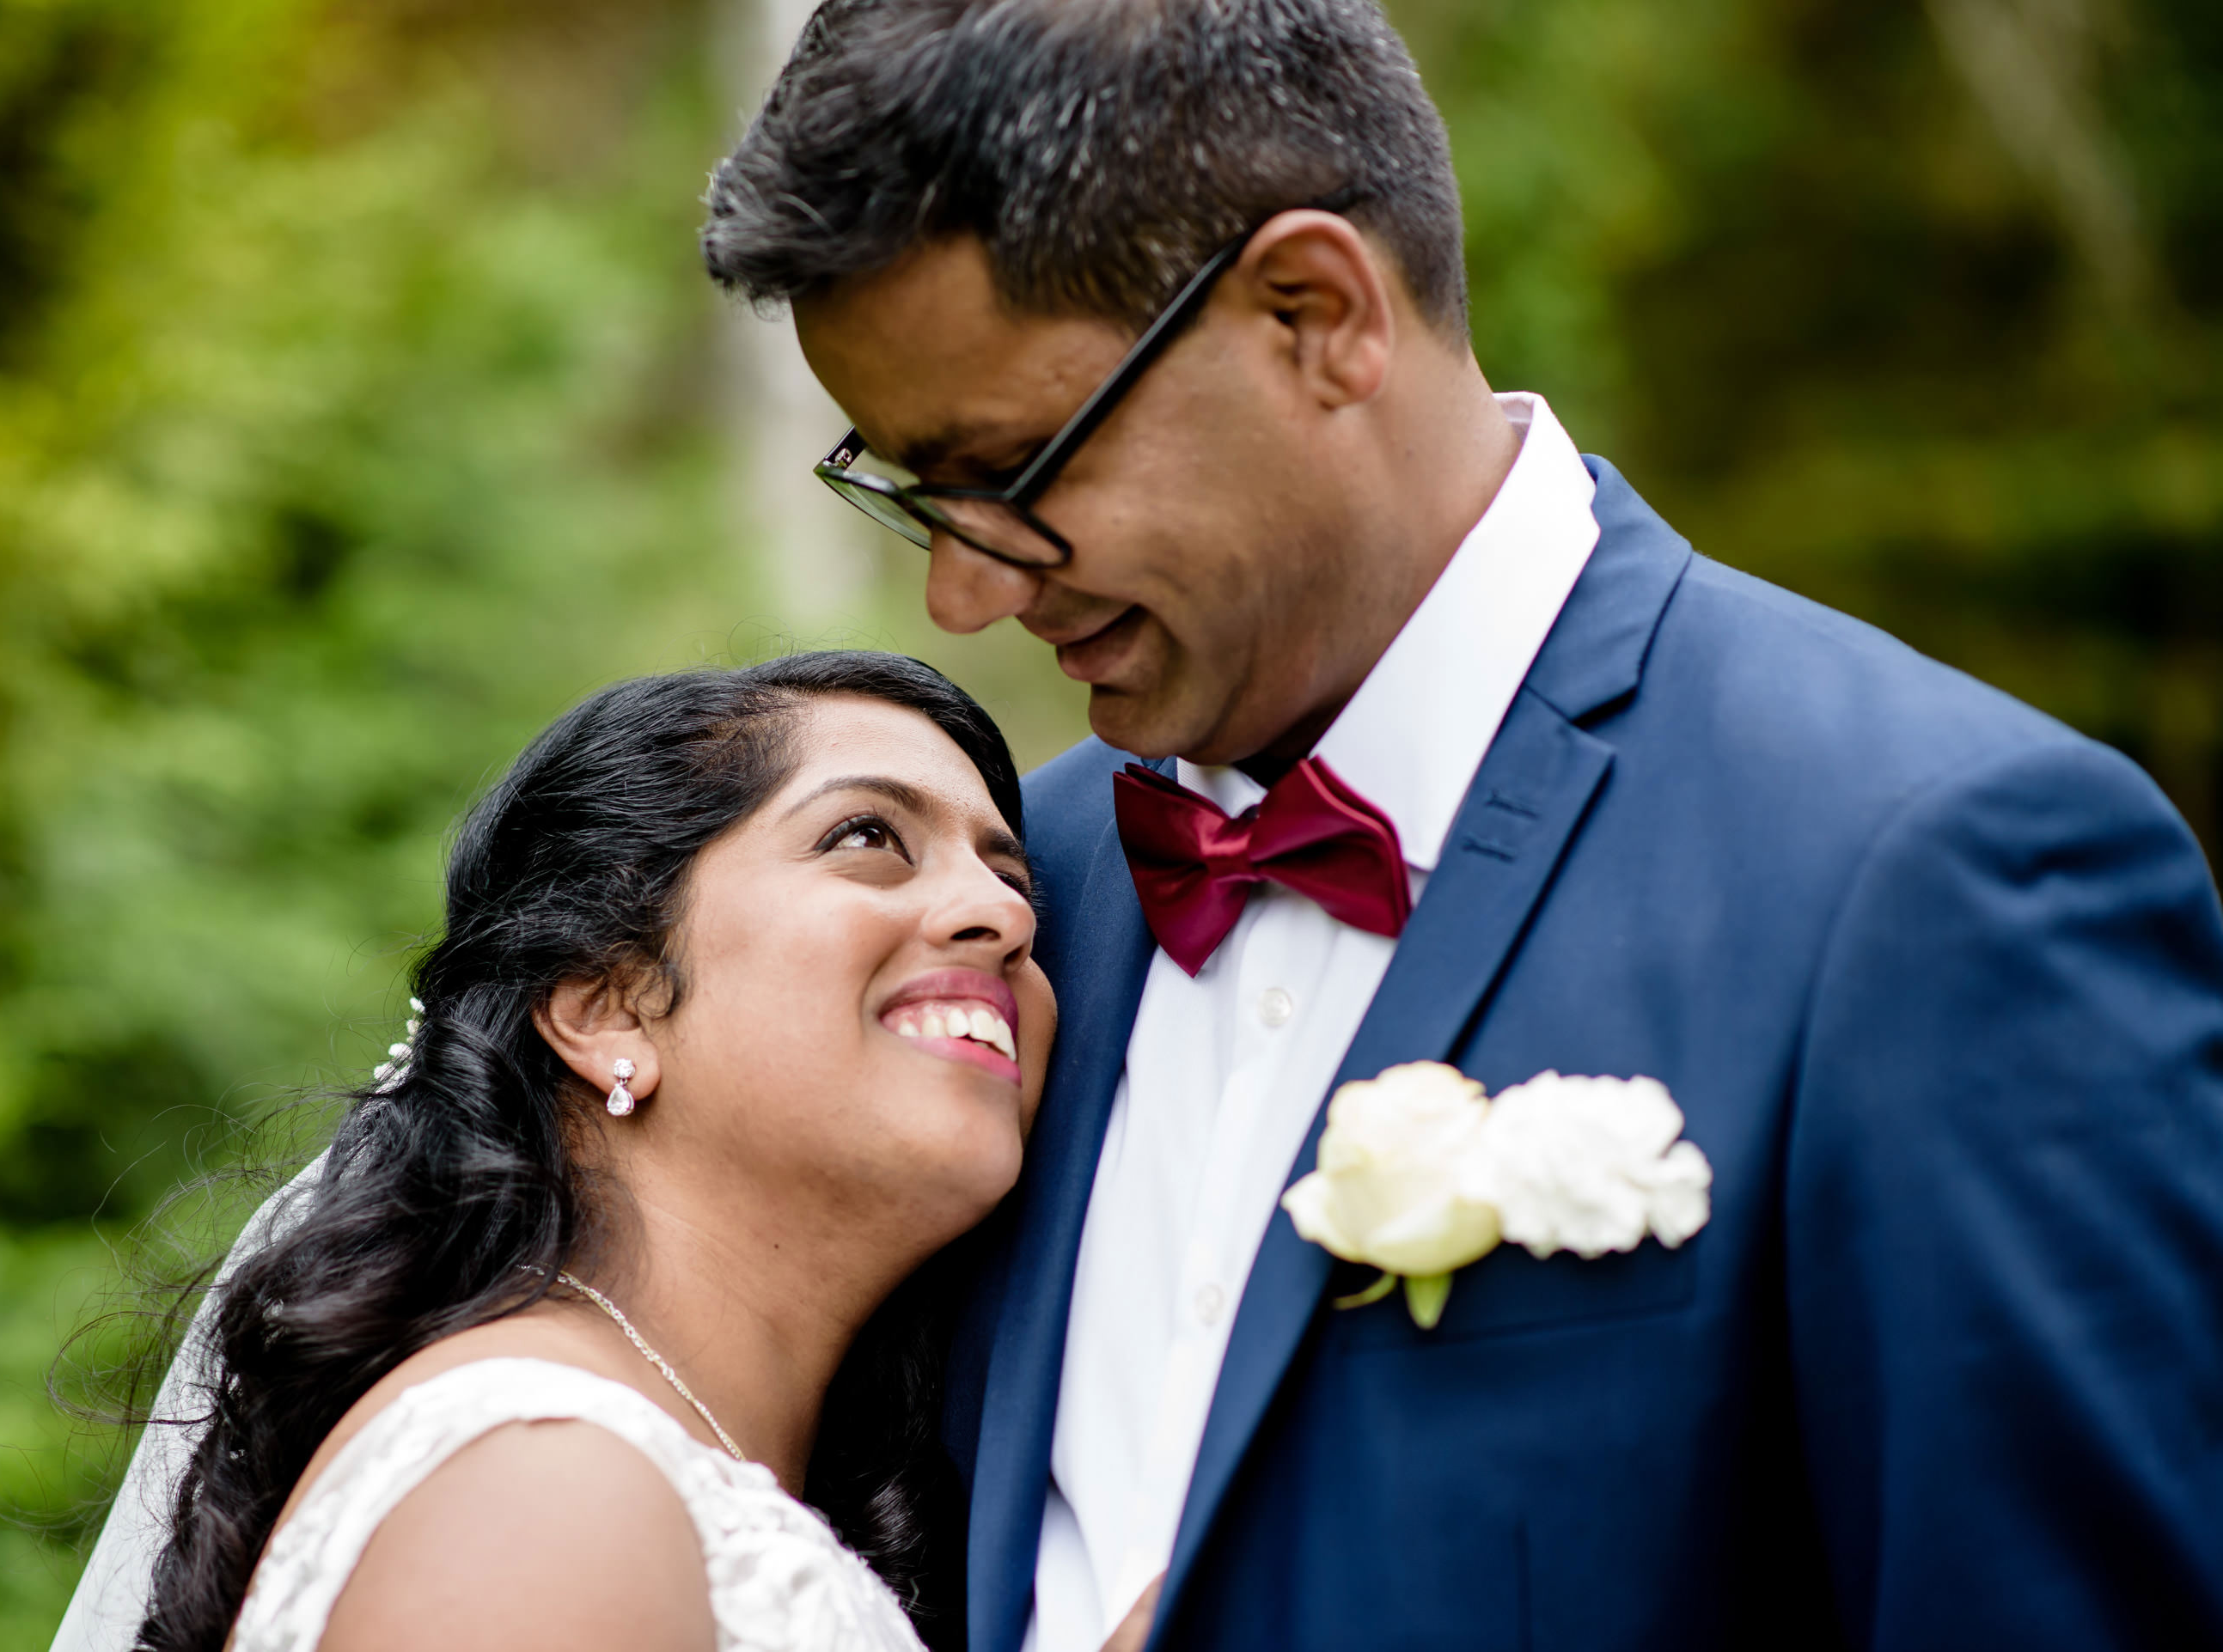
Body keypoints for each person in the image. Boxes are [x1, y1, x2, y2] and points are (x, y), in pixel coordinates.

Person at [693, 2, 2223, 1650]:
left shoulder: (1932, 875)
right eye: (913, 490)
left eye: (1013, 469)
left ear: (1317, 313)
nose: (963, 589)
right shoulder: (1007, 902)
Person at [65, 652, 1072, 1652]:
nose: (1007, 915)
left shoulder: (638, 1466)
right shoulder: (537, 1482)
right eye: (868, 836)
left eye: (1009, 874)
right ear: (606, 1006)